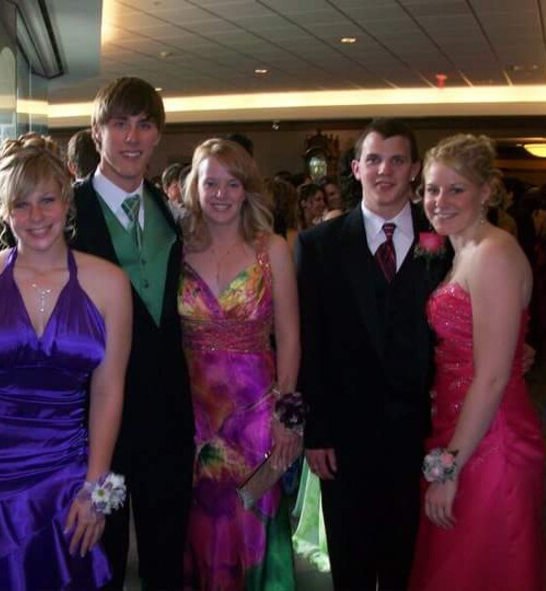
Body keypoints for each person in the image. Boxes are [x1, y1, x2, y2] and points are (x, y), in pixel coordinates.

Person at [0, 138, 131, 590]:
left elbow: (108, 391)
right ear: (4, 210)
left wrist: (97, 490)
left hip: (66, 478)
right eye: (21, 204)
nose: (35, 216)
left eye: (47, 200)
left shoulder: (109, 282)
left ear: (67, 201)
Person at [296, 118, 447, 590]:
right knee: (351, 564)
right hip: (344, 435)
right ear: (356, 168)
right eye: (374, 159)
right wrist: (316, 431)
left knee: (407, 562)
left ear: (415, 169)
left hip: (419, 434)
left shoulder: (444, 240)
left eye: (397, 160)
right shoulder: (317, 246)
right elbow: (309, 343)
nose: (385, 170)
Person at [71, 76, 195, 590]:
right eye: (119, 123)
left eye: (144, 125)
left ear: (157, 135)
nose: (131, 137)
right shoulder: (65, 212)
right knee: (99, 561)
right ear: (97, 132)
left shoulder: (170, 211)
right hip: (93, 418)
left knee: (167, 557)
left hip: (167, 416)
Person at [409, 134, 545, 591]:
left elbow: (491, 378)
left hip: (491, 438)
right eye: (432, 189)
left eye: (456, 189)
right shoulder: (463, 248)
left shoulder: (493, 253)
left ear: (485, 191)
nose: (439, 201)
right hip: (460, 427)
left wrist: (448, 468)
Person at [179, 138, 300, 590]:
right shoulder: (178, 249)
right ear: (195, 187)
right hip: (191, 418)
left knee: (253, 526)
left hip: (257, 416)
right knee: (198, 529)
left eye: (232, 183)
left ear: (247, 189)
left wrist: (288, 417)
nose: (221, 194)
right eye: (210, 183)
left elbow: (291, 338)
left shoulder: (273, 249)